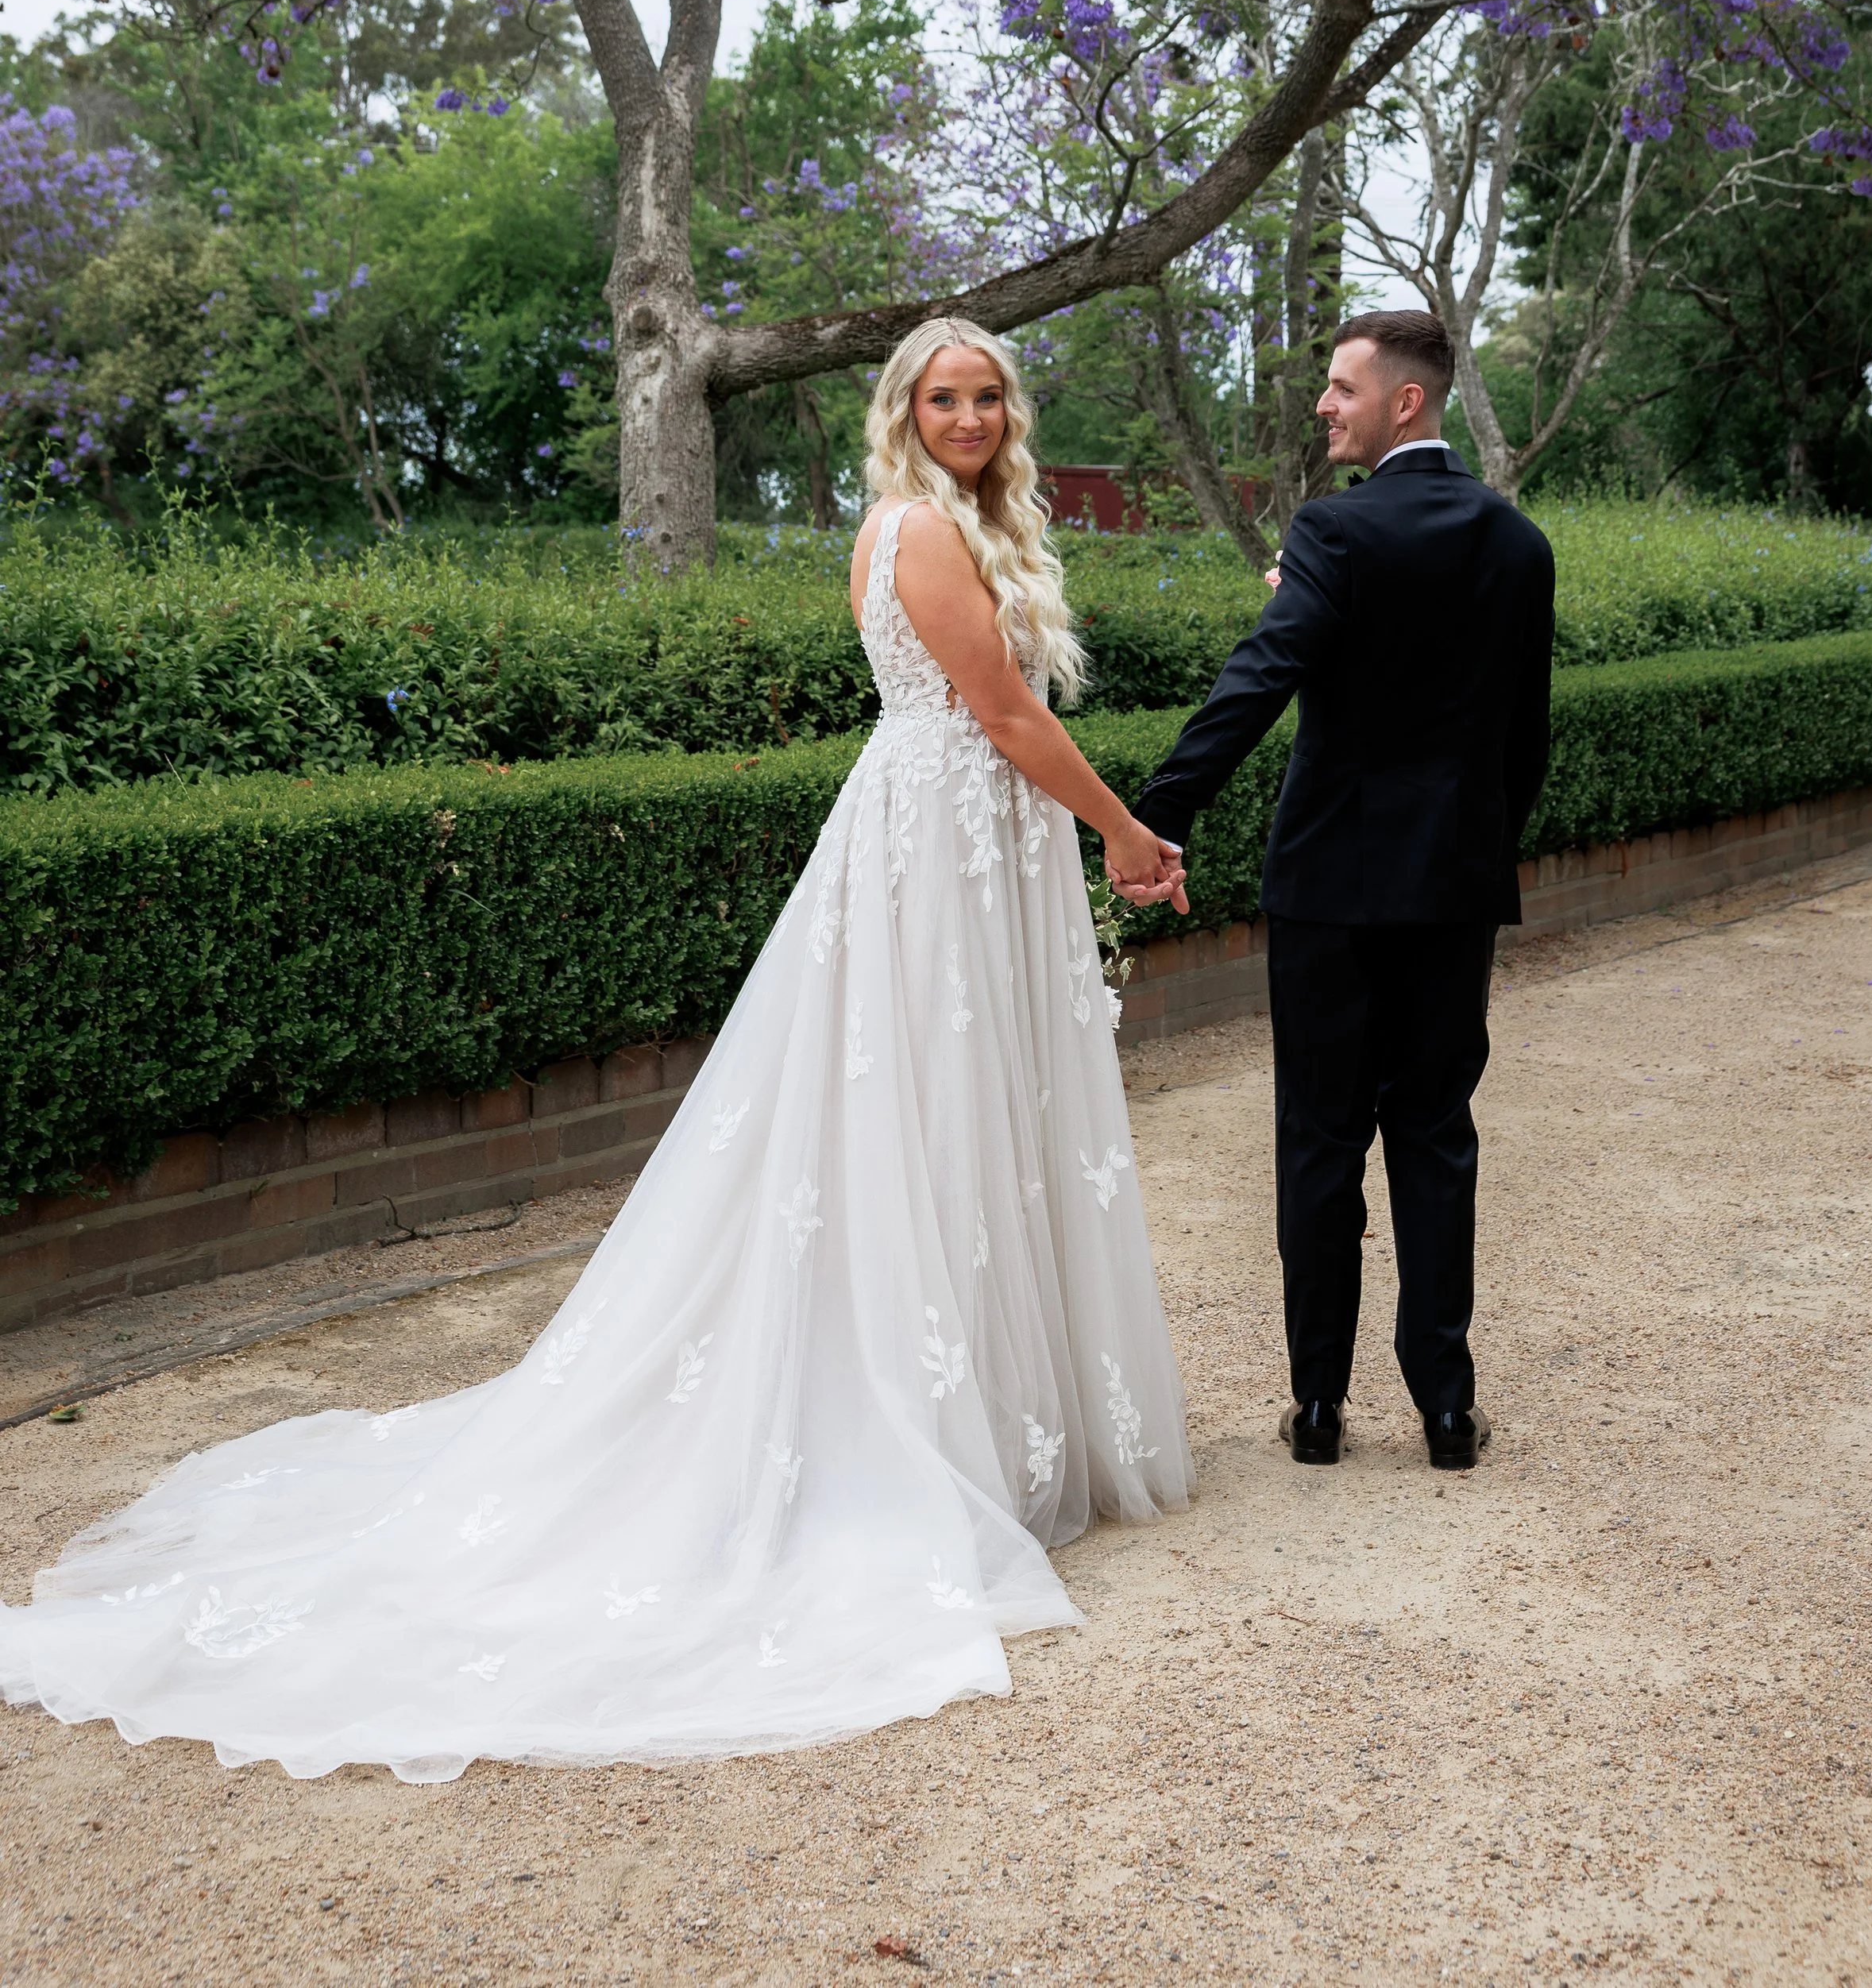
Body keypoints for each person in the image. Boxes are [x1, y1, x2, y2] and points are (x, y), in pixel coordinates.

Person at [0, 320, 1193, 1780]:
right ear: (905, 413)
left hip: (956, 838)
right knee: (919, 1115)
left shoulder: (965, 522)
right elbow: (1000, 713)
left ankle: (986, 1417)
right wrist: (1124, 827)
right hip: (941, 847)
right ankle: (920, 1428)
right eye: (942, 396)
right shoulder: (921, 533)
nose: (968, 413)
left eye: (987, 394)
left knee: (946, 1119)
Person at [1126, 310, 1554, 1473]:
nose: (1324, 404)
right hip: (1452, 893)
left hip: (1326, 887)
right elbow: (1528, 741)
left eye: (1339, 386)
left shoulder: (1334, 534)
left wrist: (1158, 812)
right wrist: (1473, 853)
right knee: (1435, 1135)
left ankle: (1317, 1408)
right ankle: (1448, 1410)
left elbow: (1260, 678)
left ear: (1402, 401)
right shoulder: (1519, 545)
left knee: (1320, 1140)